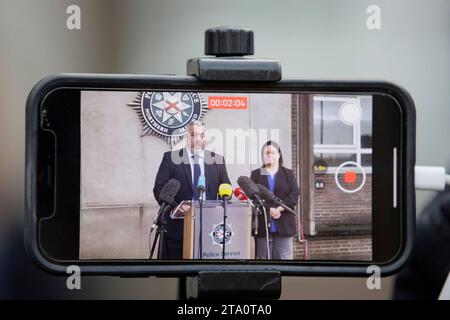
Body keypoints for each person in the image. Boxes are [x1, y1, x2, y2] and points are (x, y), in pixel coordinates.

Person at [153, 120, 230, 259]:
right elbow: (159, 188)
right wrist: (175, 207)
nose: (199, 139)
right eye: (194, 135)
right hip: (178, 230)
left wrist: (221, 206)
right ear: (186, 137)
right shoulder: (170, 158)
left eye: (202, 135)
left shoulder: (217, 160)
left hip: (210, 229)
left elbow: (226, 190)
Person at [250, 140, 299, 260]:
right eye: (266, 153)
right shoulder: (256, 174)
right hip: (262, 223)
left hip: (284, 222)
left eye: (271, 152)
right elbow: (253, 197)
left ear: (279, 155)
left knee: (283, 258)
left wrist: (279, 209)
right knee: (263, 258)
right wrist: (269, 209)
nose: (268, 155)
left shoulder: (288, 174)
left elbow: (294, 194)